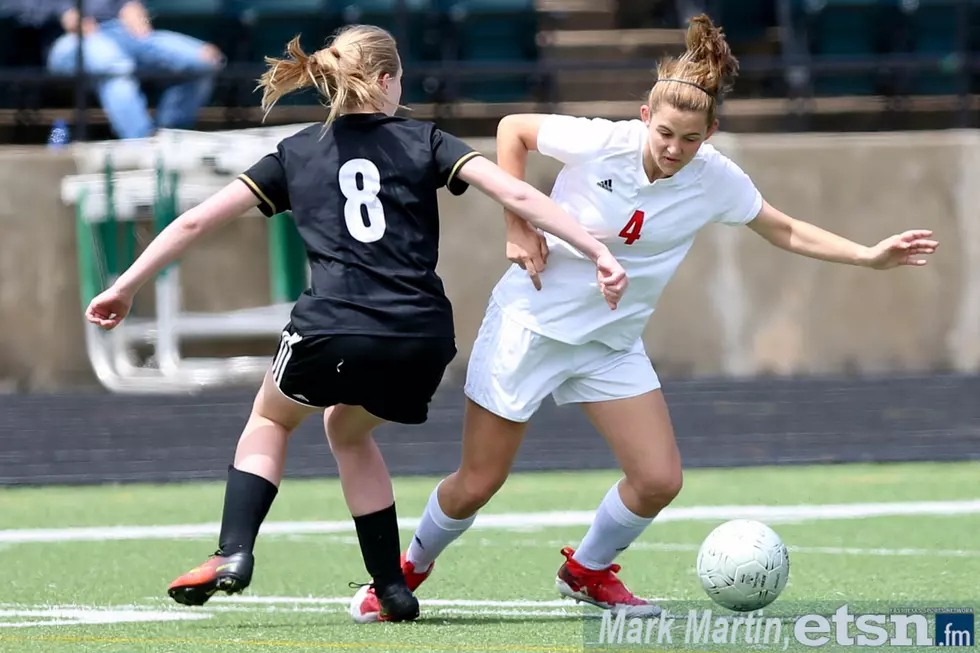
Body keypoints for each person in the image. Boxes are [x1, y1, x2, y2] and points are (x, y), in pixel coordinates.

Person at [350, 14, 939, 621]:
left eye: (689, 138)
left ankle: (587, 570)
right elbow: (513, 130)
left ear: (709, 133)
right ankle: (400, 575)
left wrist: (867, 256)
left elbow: (783, 228)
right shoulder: (602, 142)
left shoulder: (715, 180)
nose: (673, 149)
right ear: (643, 119)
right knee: (478, 483)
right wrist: (518, 225)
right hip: (531, 326)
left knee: (658, 479)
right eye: (663, 133)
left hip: (611, 342)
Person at [83, 24, 628, 623]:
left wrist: (124, 286)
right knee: (347, 429)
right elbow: (517, 195)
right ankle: (391, 588)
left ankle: (233, 552)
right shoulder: (426, 139)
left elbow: (193, 224)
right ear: (389, 80)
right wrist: (598, 252)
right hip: (422, 337)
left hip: (334, 325)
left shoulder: (297, 151)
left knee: (270, 417)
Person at [45, 0, 223, 139]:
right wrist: (64, 12)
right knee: (115, 65)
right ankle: (142, 145)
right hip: (69, 39)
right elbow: (23, 7)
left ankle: (170, 139)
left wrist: (133, 7)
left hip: (123, 31)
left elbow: (131, 7)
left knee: (205, 60)